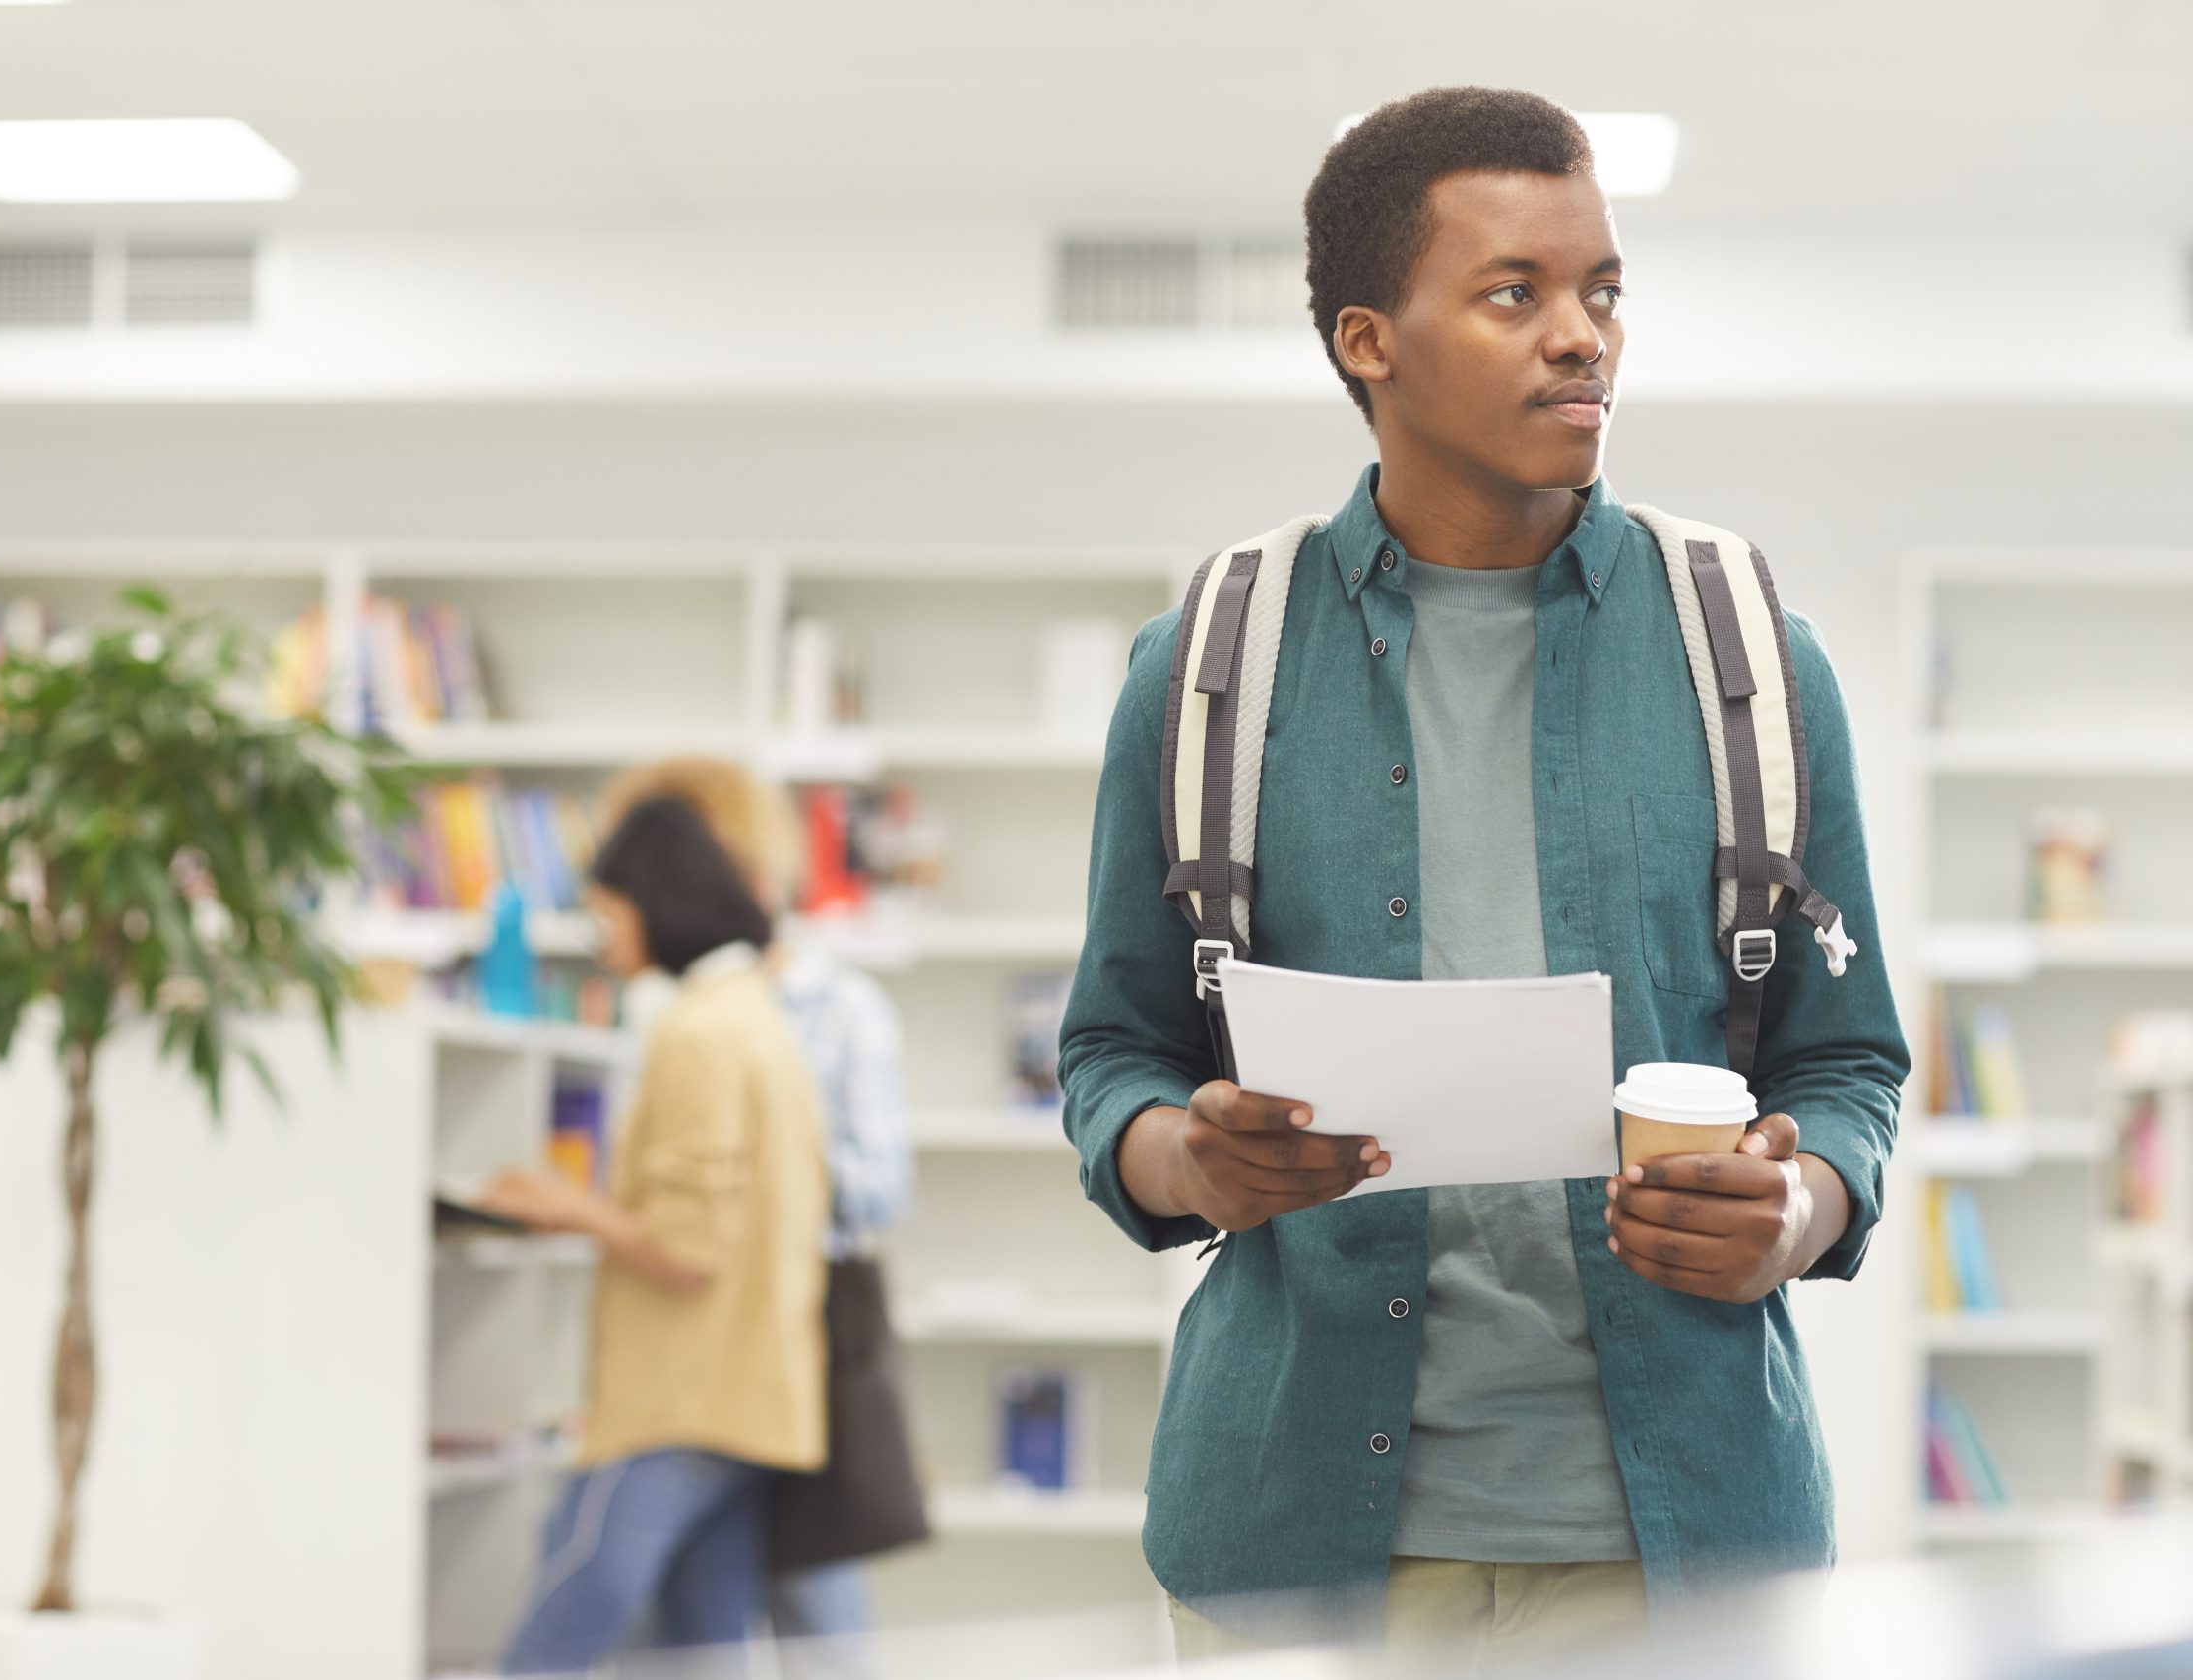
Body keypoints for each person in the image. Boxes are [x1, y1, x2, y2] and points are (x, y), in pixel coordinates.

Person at [1056, 87, 1911, 1667]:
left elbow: (1847, 1060)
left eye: (1603, 292)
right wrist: (1192, 1157)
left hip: (1686, 1542)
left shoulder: (1756, 663)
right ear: (1369, 341)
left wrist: (1796, 1207)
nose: (1582, 338)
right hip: (1295, 1542)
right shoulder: (1208, 671)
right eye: (1516, 293)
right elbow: (1115, 1053)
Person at [482, 796, 830, 1676]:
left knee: (554, 1635)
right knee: (700, 1650)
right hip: (752, 1397)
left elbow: (686, 1248)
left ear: (654, 901)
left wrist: (565, 1206)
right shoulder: (760, 1019)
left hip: (677, 1401)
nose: (602, 938)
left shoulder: (697, 1034)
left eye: (608, 913)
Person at [599, 758, 918, 1680]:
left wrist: (768, 1181)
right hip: (685, 1346)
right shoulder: (662, 1008)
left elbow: (880, 1190)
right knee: (684, 1615)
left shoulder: (839, 1007)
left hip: (796, 1342)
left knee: (818, 1614)